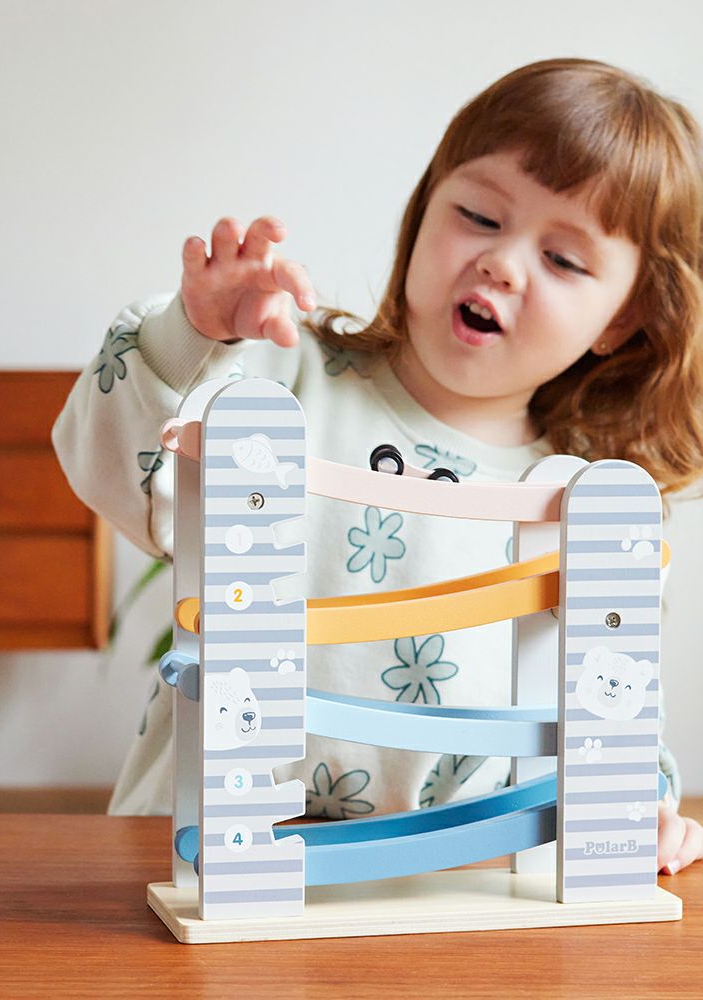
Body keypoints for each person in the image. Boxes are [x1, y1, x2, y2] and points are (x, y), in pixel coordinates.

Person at [53, 58, 703, 876]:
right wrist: (194, 335)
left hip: (449, 888)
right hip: (202, 860)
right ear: (423, 210)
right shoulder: (276, 375)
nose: (503, 263)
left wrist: (640, 806)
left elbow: (611, 700)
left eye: (565, 260)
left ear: (623, 320)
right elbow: (111, 468)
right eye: (478, 215)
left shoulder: (586, 501)